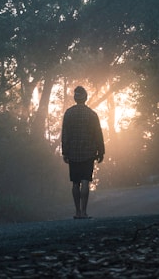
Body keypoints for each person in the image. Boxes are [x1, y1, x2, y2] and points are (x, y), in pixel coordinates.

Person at [61, 86, 105, 219]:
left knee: (75, 182)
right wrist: (101, 151)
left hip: (73, 152)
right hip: (89, 151)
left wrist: (65, 151)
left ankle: (77, 212)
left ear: (75, 98)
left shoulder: (68, 113)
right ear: (85, 98)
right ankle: (84, 211)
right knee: (85, 181)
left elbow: (65, 134)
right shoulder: (92, 114)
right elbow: (98, 134)